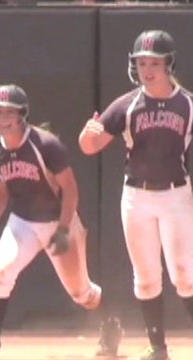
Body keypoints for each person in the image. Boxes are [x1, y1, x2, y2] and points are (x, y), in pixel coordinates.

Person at [0, 84, 123, 360]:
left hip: (58, 220)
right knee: (1, 272)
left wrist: (65, 229)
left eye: (9, 112)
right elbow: (0, 190)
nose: (2, 118)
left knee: (81, 293)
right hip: (23, 221)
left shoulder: (45, 145)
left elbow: (70, 190)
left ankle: (111, 322)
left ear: (22, 115)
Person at [78, 29, 193, 360]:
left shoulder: (186, 104)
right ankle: (158, 348)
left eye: (154, 62)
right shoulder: (128, 105)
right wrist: (87, 136)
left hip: (176, 195)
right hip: (137, 197)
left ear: (169, 64)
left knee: (184, 274)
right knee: (145, 279)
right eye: (141, 62)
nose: (147, 69)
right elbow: (90, 146)